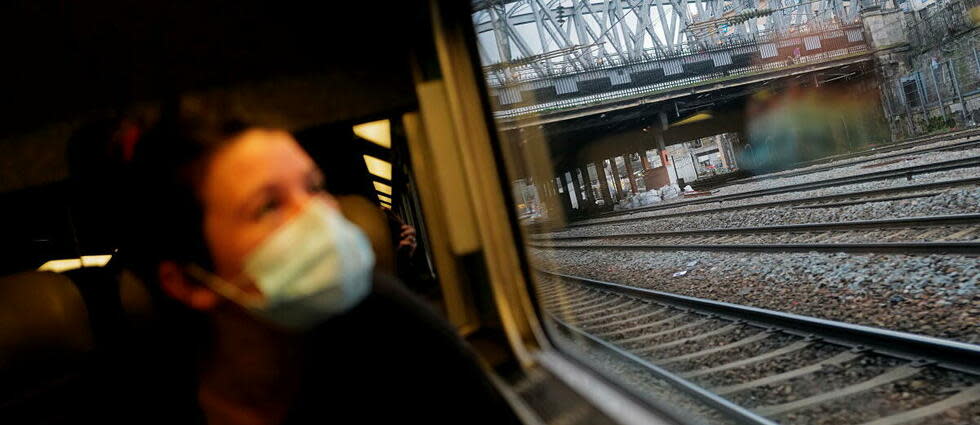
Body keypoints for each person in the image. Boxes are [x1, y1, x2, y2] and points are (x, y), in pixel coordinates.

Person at [115, 109, 519, 425]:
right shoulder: (139, 402)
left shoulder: (391, 326)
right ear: (187, 281)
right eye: (268, 206)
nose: (318, 217)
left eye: (314, 187)